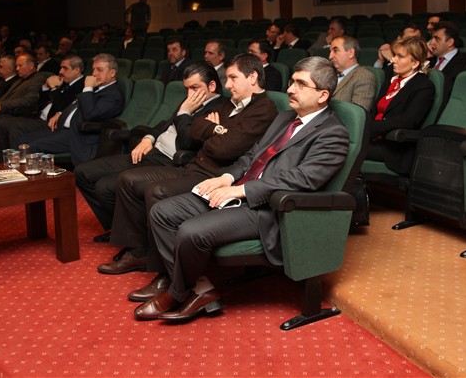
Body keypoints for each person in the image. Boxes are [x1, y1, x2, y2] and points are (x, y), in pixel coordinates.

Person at [135, 56, 349, 321]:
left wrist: (242, 190)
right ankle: (200, 290)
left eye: (301, 84)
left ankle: (178, 293)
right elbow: (251, 155)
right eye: (292, 82)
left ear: (323, 95)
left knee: (191, 231)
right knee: (161, 212)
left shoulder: (333, 133)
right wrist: (227, 177)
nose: (290, 89)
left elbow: (304, 179)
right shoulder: (285, 118)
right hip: (237, 190)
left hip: (268, 208)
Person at [96, 54, 278, 280]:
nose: (227, 85)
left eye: (233, 78)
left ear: (252, 77)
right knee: (129, 180)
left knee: (156, 191)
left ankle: (163, 270)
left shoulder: (264, 109)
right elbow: (196, 127)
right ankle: (139, 250)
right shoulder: (230, 103)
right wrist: (216, 130)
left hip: (214, 175)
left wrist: (213, 133)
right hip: (193, 166)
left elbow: (225, 149)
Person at [74, 62, 226, 239]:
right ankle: (119, 226)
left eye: (195, 88)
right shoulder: (191, 101)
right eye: (187, 89)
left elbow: (188, 142)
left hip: (169, 161)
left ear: (212, 86)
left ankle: (132, 235)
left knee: (105, 187)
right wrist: (148, 138)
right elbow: (165, 124)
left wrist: (184, 112)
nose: (189, 94)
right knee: (82, 172)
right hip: (152, 151)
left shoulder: (218, 109)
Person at [16, 54, 124, 166]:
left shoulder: (113, 95)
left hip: (79, 136)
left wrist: (87, 88)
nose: (94, 74)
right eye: (93, 70)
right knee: (22, 140)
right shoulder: (98, 87)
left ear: (112, 73)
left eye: (99, 70)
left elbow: (90, 114)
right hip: (63, 129)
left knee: (33, 147)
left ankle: (30, 176)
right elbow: (76, 105)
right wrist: (60, 113)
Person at [0, 55, 86, 162]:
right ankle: (1, 163)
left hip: (53, 124)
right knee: (5, 124)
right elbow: (40, 102)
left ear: (77, 70)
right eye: (61, 68)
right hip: (39, 115)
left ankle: (16, 165)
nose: (60, 71)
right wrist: (46, 87)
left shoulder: (81, 86)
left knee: (16, 130)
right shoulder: (65, 81)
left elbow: (61, 106)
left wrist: (54, 89)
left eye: (65, 68)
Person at [366, 38, 435, 175]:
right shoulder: (391, 81)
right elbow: (374, 111)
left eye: (400, 56)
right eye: (394, 55)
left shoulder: (424, 86)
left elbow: (408, 120)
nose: (393, 60)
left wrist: (370, 128)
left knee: (342, 147)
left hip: (395, 147)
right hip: (374, 138)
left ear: (415, 63)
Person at [428, 21, 466, 97]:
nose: (431, 43)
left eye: (437, 39)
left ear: (450, 42)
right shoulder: (429, 61)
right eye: (432, 38)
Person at [328, 36, 376, 111]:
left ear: (351, 53)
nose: (330, 56)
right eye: (330, 51)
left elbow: (358, 113)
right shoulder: (329, 74)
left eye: (335, 51)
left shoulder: (364, 76)